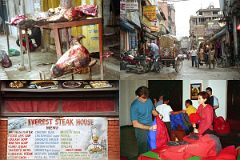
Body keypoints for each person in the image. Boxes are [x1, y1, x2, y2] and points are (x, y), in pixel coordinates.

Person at [130, 86, 159, 155]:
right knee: (143, 150)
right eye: (143, 98)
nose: (145, 100)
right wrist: (149, 128)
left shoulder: (149, 100)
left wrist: (158, 115)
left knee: (152, 147)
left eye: (146, 97)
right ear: (138, 96)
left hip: (151, 126)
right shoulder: (134, 105)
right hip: (141, 129)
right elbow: (135, 124)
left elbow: (153, 111)